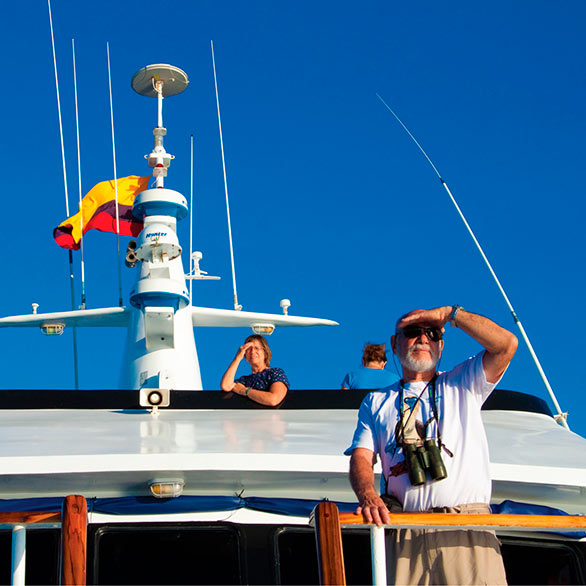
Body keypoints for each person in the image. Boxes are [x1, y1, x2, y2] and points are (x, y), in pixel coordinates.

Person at [346, 305, 518, 585]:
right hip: (405, 532)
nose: (423, 339)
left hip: (466, 529)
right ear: (394, 343)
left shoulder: (464, 381)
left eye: (432, 333)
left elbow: (506, 345)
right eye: (412, 332)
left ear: (441, 343)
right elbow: (362, 458)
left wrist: (451, 314)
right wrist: (368, 495)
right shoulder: (375, 402)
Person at [221, 334, 289, 406]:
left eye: (257, 348)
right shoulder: (245, 380)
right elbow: (226, 386)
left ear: (265, 353)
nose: (252, 351)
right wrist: (237, 358)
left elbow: (273, 399)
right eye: (249, 349)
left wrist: (244, 391)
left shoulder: (275, 372)